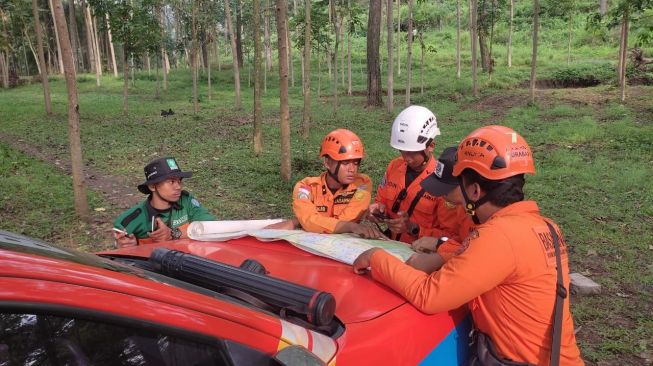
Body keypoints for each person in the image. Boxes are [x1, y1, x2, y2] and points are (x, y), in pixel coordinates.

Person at [354, 126, 584, 365]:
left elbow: (430, 295)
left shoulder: (498, 236)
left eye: (460, 192)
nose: (459, 206)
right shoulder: (546, 227)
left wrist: (376, 257)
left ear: (474, 190)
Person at [366, 106, 466, 244]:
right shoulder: (394, 167)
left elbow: (450, 237)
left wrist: (413, 228)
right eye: (402, 151)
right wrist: (377, 209)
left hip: (419, 255)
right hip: (390, 245)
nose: (407, 158)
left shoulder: (443, 184)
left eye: (412, 152)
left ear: (430, 146)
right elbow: (381, 200)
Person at [267, 129, 384, 239]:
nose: (352, 169)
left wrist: (299, 222)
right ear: (328, 163)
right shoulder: (305, 187)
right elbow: (310, 220)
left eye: (356, 163)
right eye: (345, 162)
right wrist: (305, 222)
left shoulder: (362, 184)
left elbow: (348, 219)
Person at [113, 157, 215, 247]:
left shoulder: (186, 201)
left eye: (179, 181)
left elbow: (210, 226)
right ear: (153, 186)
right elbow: (121, 255)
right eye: (171, 182)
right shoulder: (128, 221)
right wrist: (131, 246)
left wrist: (173, 234)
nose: (178, 187)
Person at [405, 146, 474, 273]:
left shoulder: (487, 216)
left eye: (446, 189)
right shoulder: (461, 206)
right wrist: (440, 243)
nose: (442, 195)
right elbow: (458, 240)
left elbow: (475, 255)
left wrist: (439, 246)